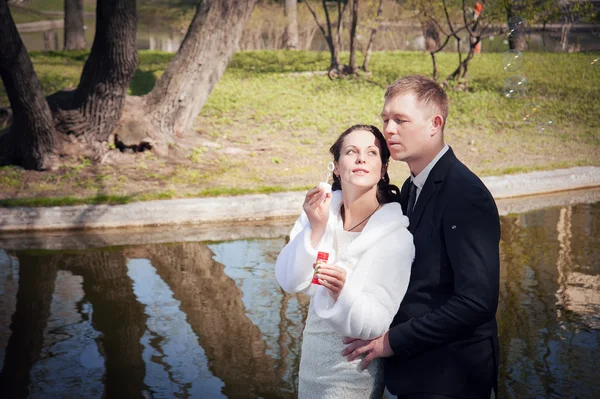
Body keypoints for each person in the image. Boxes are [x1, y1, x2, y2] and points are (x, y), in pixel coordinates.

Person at [342, 75, 501, 399]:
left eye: (400, 120)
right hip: (412, 373)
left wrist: (392, 341)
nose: (388, 130)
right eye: (385, 119)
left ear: (435, 123)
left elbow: (476, 303)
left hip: (451, 377)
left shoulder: (465, 195)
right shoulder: (412, 187)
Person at [275, 124, 415, 399]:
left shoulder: (395, 236)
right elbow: (289, 281)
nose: (361, 158)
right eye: (351, 152)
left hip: (354, 369)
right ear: (337, 167)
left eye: (372, 152)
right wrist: (315, 229)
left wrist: (343, 292)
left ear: (383, 169)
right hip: (312, 360)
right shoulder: (318, 214)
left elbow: (376, 323)